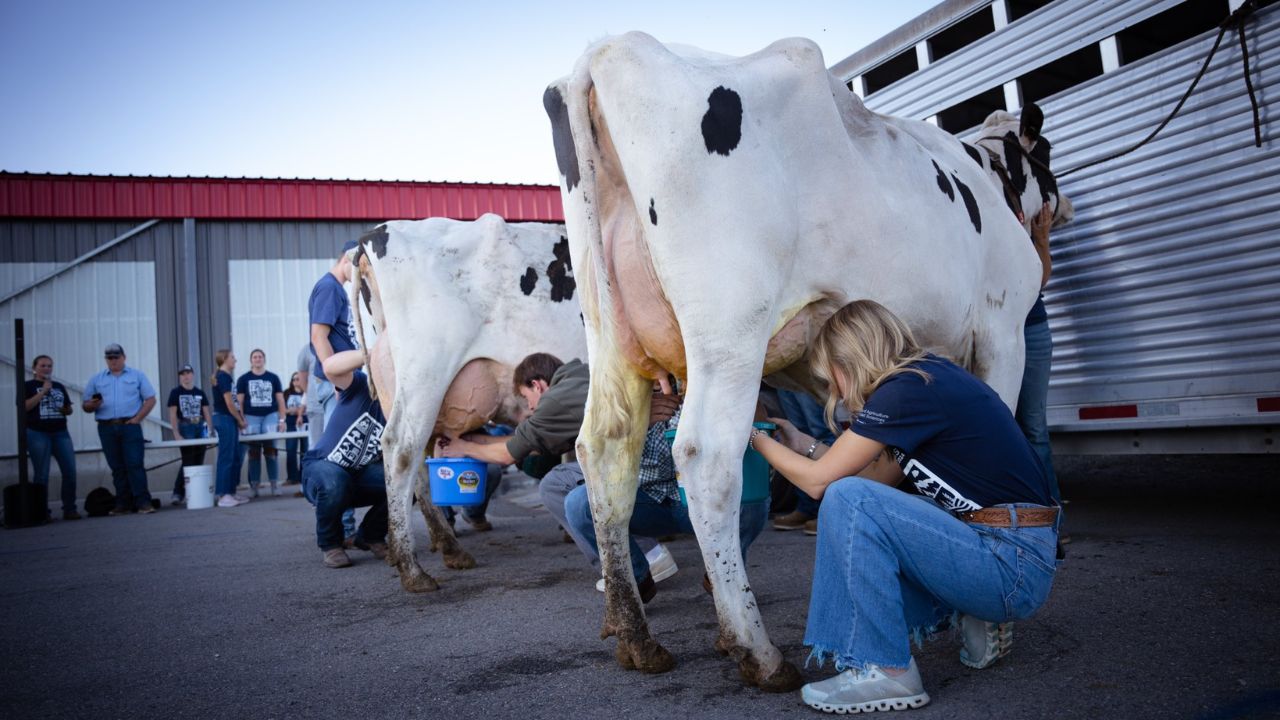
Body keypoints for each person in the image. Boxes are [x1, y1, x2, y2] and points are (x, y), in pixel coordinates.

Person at [749, 300, 1059, 714]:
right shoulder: (924, 382)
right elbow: (866, 482)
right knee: (856, 504)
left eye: (832, 378)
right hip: (1008, 550)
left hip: (1010, 563)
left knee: (846, 501)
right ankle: (972, 612)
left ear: (850, 360)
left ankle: (886, 672)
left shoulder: (905, 391)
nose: (836, 393)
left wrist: (753, 439)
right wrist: (798, 441)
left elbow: (824, 485)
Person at [439, 353, 676, 582]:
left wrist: (465, 449)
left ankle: (634, 562)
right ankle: (647, 554)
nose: (530, 408)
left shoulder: (557, 401)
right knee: (565, 473)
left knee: (554, 485)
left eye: (526, 398)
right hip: (660, 463)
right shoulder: (579, 376)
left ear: (537, 385)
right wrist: (473, 442)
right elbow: (523, 443)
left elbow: (508, 455)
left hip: (653, 477)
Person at [562, 389, 767, 602]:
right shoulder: (616, 376)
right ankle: (636, 579)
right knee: (579, 504)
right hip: (642, 500)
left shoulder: (707, 370)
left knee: (751, 502)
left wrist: (741, 390)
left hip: (705, 498)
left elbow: (760, 423)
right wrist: (636, 420)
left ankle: (725, 574)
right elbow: (595, 449)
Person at [301, 348, 388, 569]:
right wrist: (374, 351)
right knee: (334, 480)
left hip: (358, 476)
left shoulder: (399, 409)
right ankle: (331, 544)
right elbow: (330, 367)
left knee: (410, 483)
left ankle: (370, 535)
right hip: (321, 467)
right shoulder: (360, 385)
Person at [1018, 203, 1062, 507]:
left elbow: (1040, 279)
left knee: (1033, 427)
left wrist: (1041, 238)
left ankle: (1051, 517)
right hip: (993, 333)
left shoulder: (1025, 215)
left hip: (1031, 330)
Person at [82, 344, 157, 515]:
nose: (113, 360)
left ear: (124, 357)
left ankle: (143, 502)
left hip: (129, 426)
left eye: (116, 357)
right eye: (110, 358)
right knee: (117, 467)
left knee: (135, 465)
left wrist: (137, 418)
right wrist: (91, 405)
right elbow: (85, 405)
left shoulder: (137, 375)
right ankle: (123, 504)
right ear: (106, 359)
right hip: (106, 427)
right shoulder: (97, 379)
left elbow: (151, 399)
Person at [770, 389, 837, 535]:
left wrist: (755, 436)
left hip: (805, 367)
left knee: (821, 429)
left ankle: (829, 510)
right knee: (797, 430)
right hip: (781, 372)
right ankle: (806, 507)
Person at [23, 354, 79, 520]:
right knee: (42, 473)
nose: (46, 369)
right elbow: (25, 407)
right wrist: (44, 391)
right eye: (43, 366)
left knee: (70, 471)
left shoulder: (59, 386)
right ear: (34, 368)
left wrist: (65, 409)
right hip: (37, 432)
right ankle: (42, 511)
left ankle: (69, 508)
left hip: (60, 432)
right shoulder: (28, 386)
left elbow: (68, 409)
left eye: (49, 366)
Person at [236, 348, 287, 497]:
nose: (257, 359)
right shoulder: (243, 379)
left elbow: (280, 399)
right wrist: (241, 419)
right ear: (251, 361)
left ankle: (274, 484)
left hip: (270, 415)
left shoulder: (273, 378)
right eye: (255, 357)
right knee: (254, 452)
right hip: (251, 416)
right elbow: (239, 401)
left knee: (271, 450)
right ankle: (254, 486)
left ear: (264, 359)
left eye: (260, 357)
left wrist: (282, 420)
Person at [166, 364, 213, 505]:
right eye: (183, 374)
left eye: (188, 373)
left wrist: (209, 431)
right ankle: (177, 492)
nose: (186, 376)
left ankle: (194, 492)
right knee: (188, 461)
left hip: (200, 426)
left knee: (198, 460)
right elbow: (173, 415)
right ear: (180, 376)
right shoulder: (175, 393)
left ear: (193, 375)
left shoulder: (200, 392)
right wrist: (176, 433)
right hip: (186, 426)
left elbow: (206, 413)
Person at [210, 349, 249, 508]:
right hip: (224, 418)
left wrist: (239, 418)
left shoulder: (226, 377)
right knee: (226, 457)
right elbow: (229, 402)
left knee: (234, 456)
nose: (235, 360)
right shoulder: (222, 376)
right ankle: (223, 494)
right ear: (225, 359)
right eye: (233, 357)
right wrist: (239, 419)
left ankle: (230, 492)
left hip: (229, 419)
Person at [283, 371, 308, 484]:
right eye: (294, 379)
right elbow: (282, 409)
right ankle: (292, 477)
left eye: (298, 379)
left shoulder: (306, 392)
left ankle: (304, 476)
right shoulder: (286, 393)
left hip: (305, 423)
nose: (296, 381)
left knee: (305, 450)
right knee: (291, 450)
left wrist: (298, 411)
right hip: (291, 423)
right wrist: (292, 411)